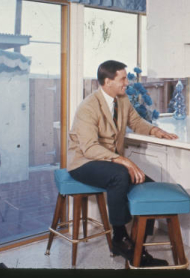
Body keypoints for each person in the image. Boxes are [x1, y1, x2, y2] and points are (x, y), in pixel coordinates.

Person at [68, 60, 178, 267]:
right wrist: (123, 160)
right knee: (120, 174)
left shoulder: (122, 99)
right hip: (83, 162)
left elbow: (135, 122)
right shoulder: (88, 107)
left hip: (109, 162)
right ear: (107, 82)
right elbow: (89, 148)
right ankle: (119, 238)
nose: (126, 83)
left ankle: (137, 249)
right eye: (123, 78)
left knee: (148, 186)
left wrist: (156, 131)